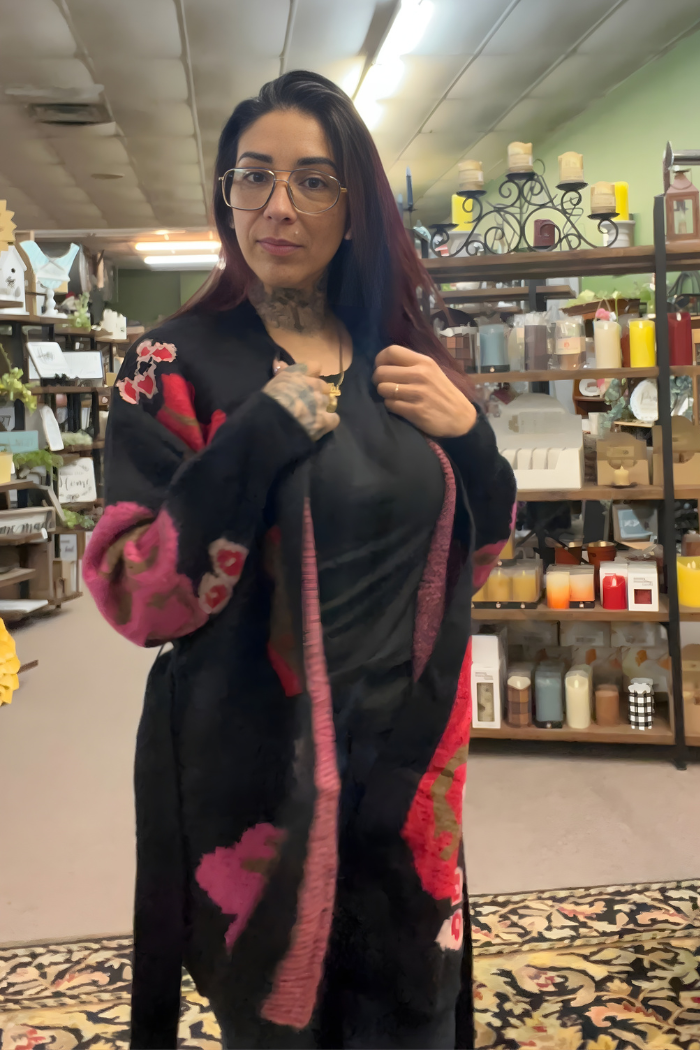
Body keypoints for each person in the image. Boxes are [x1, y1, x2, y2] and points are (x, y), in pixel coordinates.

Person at [84, 70, 515, 1050]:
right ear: (226, 195)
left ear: (354, 208)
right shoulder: (174, 364)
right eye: (254, 176)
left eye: (314, 180)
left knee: (412, 1009)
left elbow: (476, 557)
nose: (278, 205)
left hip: (406, 767)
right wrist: (251, 445)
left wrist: (472, 441)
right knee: (280, 1018)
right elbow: (136, 597)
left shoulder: (399, 359)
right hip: (258, 781)